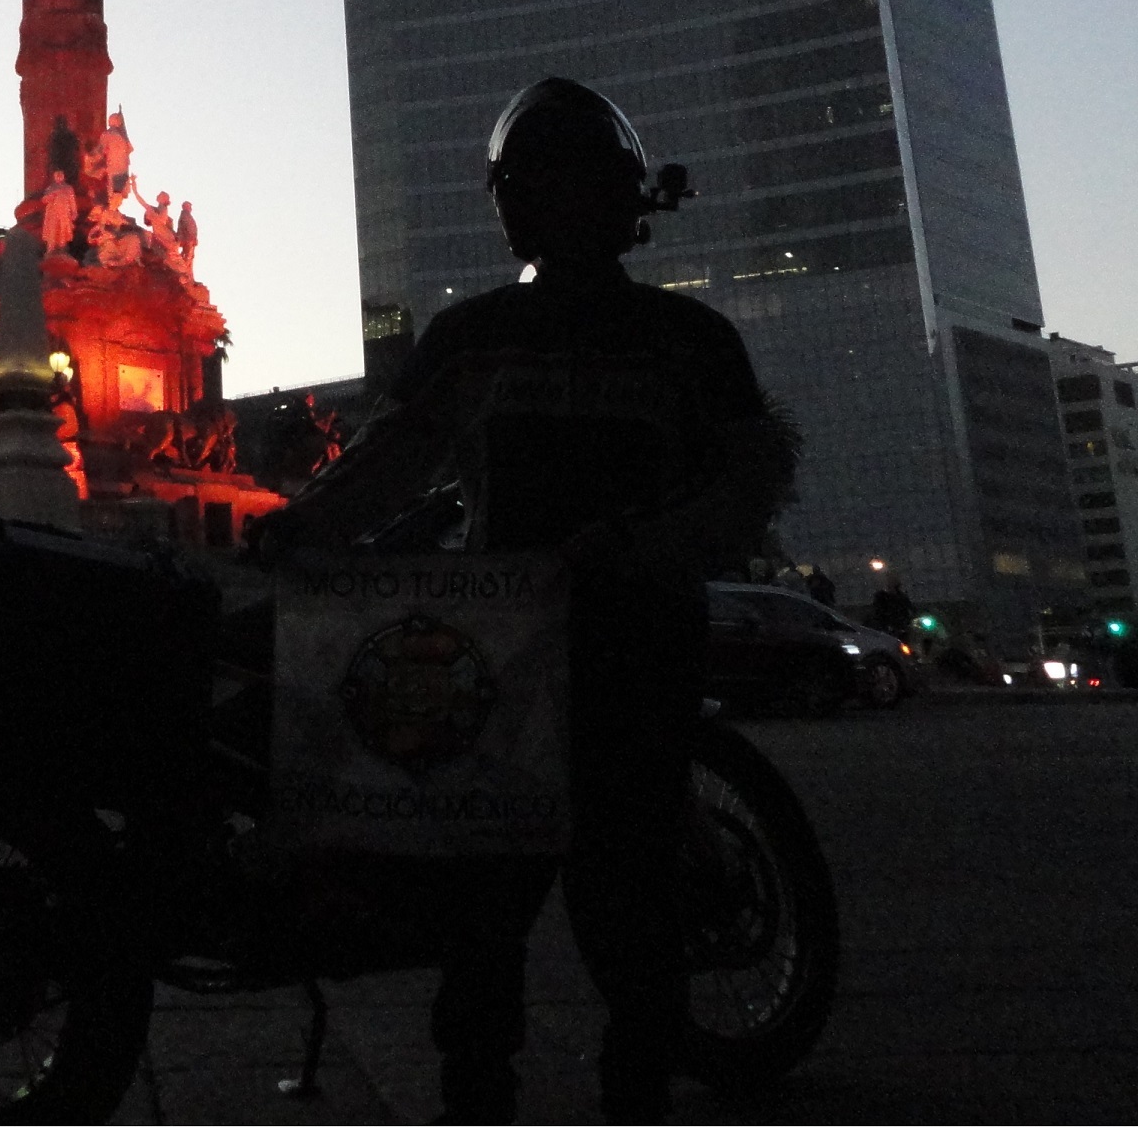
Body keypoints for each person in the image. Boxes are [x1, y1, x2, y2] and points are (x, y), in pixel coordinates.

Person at [250, 78, 795, 1122]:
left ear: (622, 194)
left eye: (575, 182)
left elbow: (747, 484)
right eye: (536, 184)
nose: (556, 203)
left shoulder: (694, 341)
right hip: (498, 663)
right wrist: (305, 524)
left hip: (631, 650)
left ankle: (631, 1095)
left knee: (624, 918)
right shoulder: (471, 338)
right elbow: (393, 460)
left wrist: (638, 549)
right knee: (484, 927)